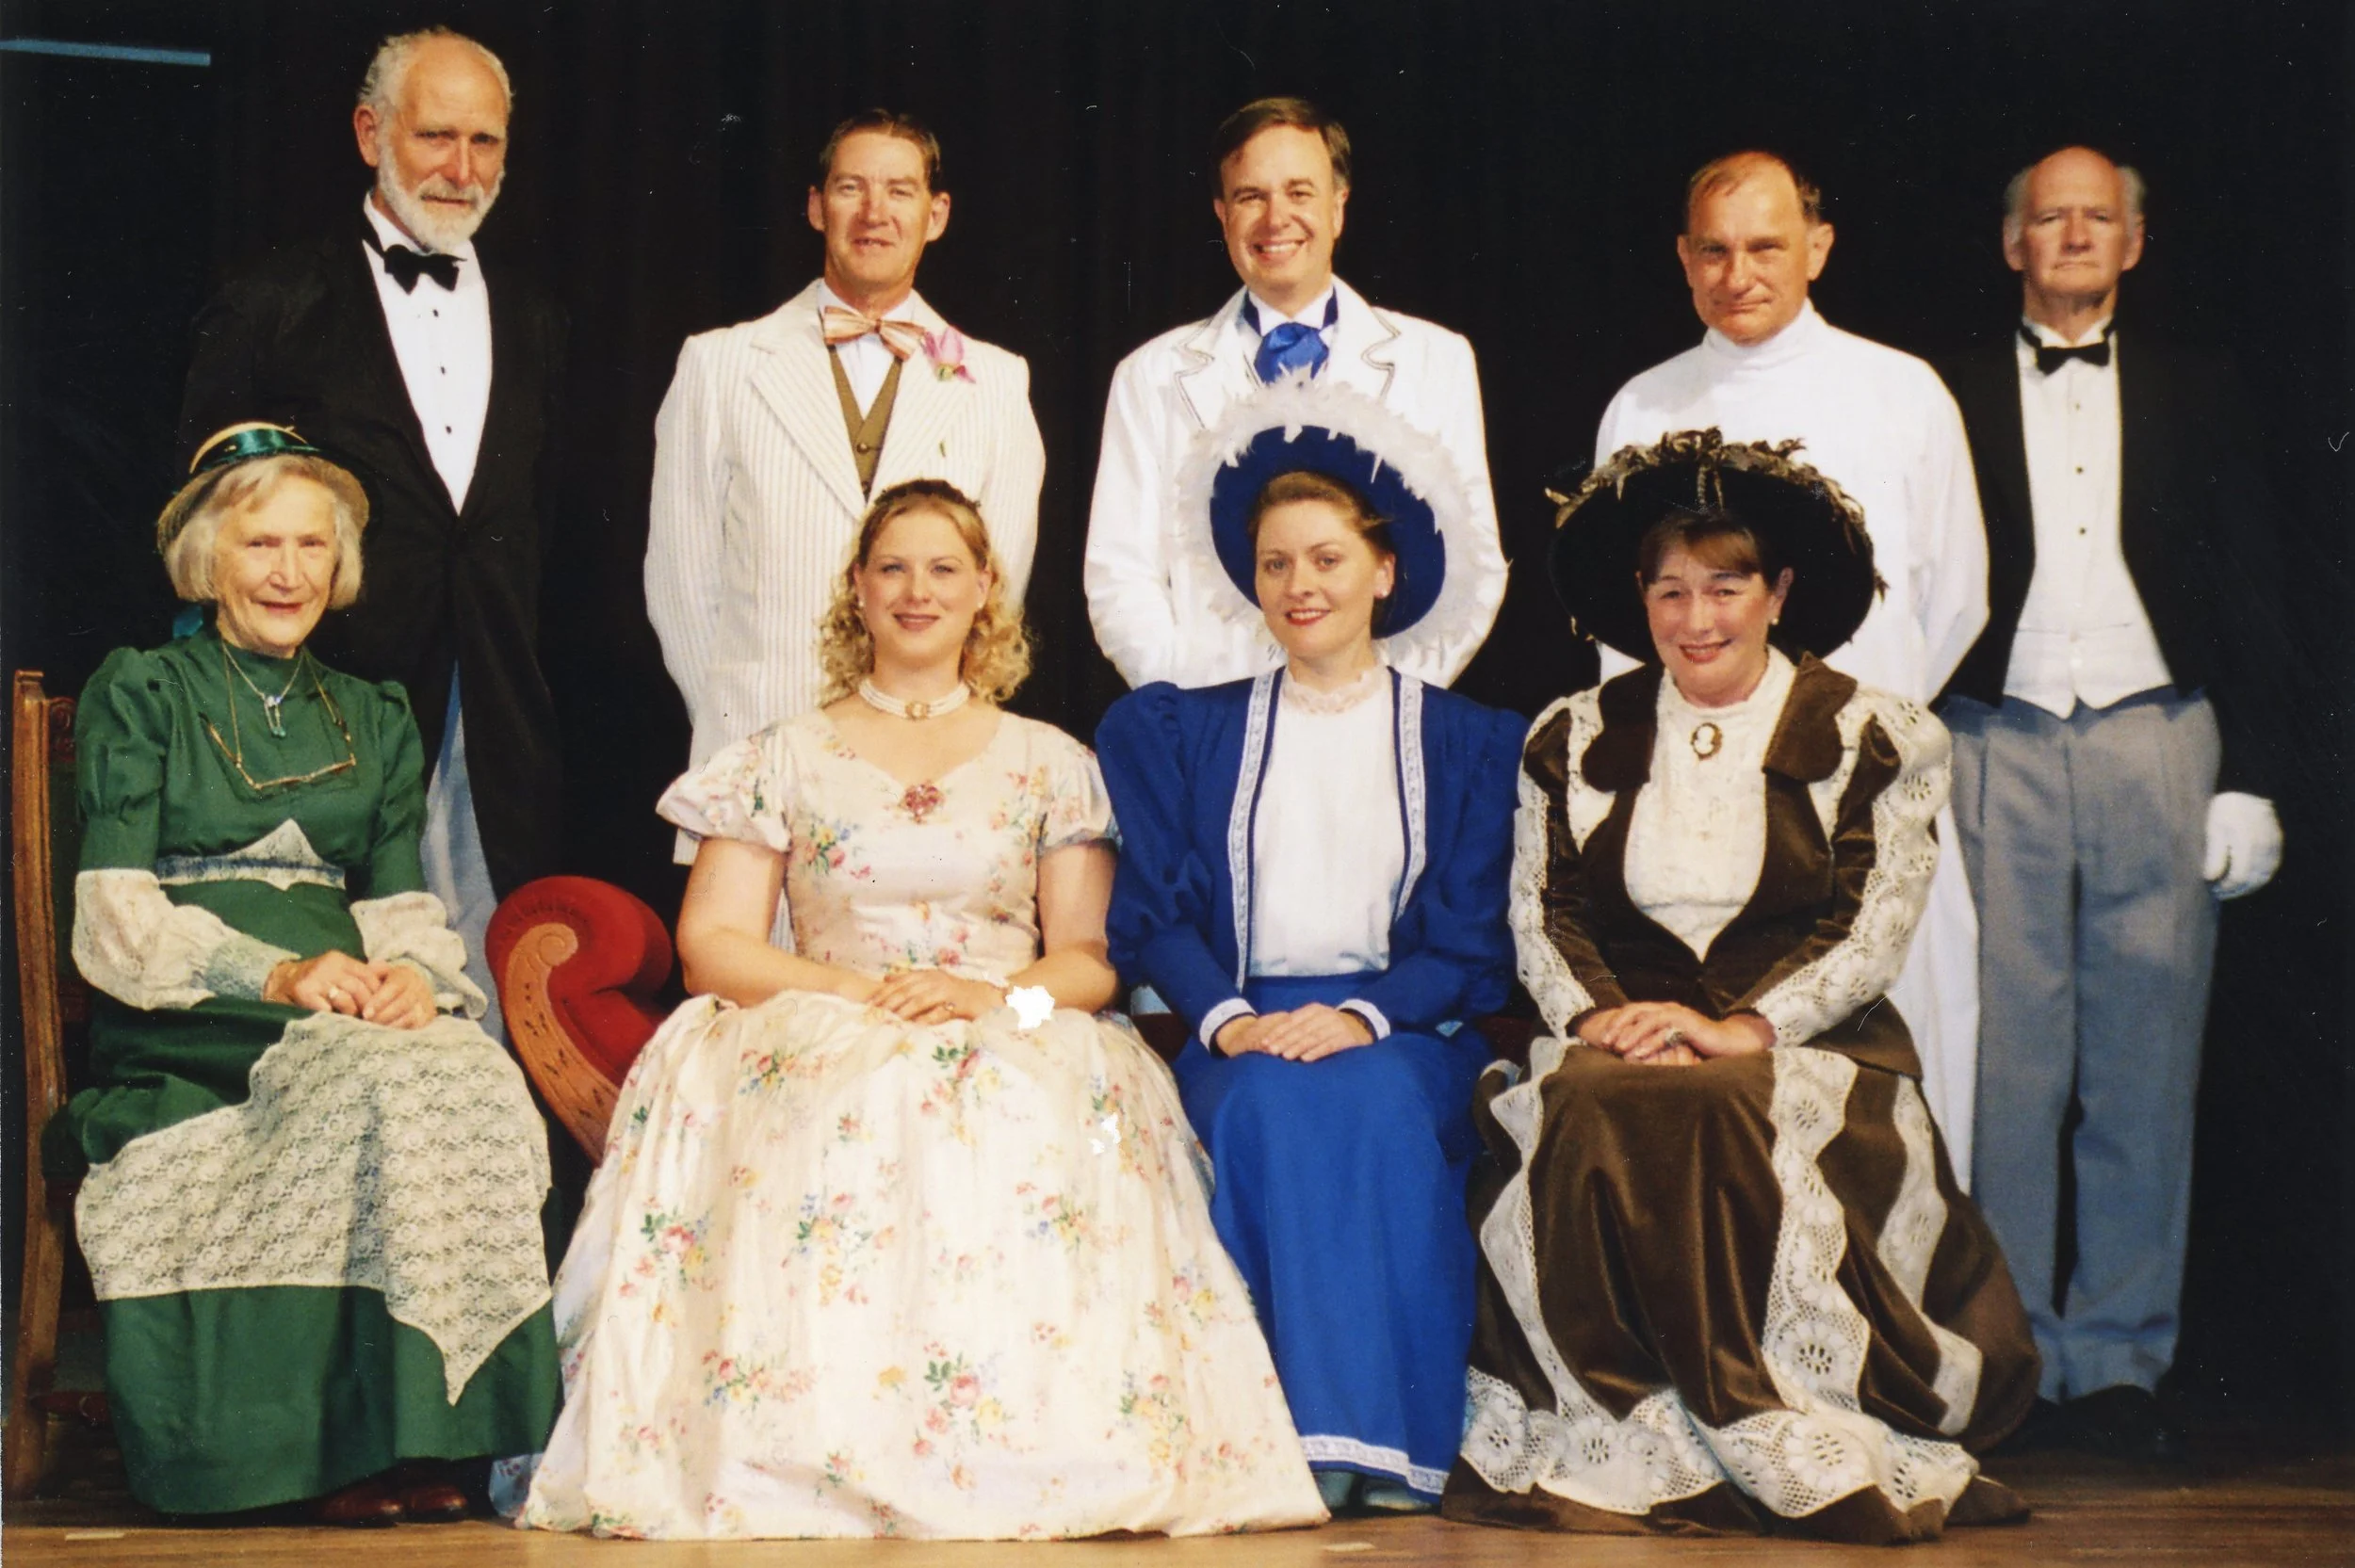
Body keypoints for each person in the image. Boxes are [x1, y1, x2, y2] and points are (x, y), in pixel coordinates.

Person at [514, 480, 1322, 1540]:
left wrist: (989, 999)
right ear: (855, 590)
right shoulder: (778, 755)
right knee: (863, 1086)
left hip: (1012, 1010)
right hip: (822, 1003)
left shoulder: (1048, 760)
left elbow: (1087, 959)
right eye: (892, 566)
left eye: (944, 568)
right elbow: (713, 944)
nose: (916, 590)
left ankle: (1036, 1451)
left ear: (985, 589)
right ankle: (807, 1453)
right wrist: (856, 994)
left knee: (1042, 1088)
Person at [1449, 430, 2038, 1543]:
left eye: (1725, 585)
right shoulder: (1572, 735)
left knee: (1725, 1101)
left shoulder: (1874, 732)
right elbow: (1543, 910)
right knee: (1576, 1098)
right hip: (1618, 1033)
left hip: (1810, 1039)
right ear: (1638, 601)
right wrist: (1597, 1019)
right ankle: (1627, 1421)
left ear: (1778, 592)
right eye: (1668, 590)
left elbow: (1871, 924)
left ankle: (1787, 1417)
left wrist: (1744, 1026)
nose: (1695, 617)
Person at [57, 425, 558, 1525]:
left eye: (312, 547)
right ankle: (310, 1450)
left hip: (342, 995)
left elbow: (392, 905)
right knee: (362, 1082)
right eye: (260, 544)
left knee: (466, 1075)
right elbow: (114, 911)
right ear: (206, 559)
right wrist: (277, 973)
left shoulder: (372, 711)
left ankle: (426, 1433)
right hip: (193, 1012)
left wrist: (419, 983)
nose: (288, 572)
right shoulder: (142, 691)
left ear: (342, 567)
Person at [1096, 380, 1523, 1513]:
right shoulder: (1189, 731)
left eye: (1327, 560)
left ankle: (1381, 1443)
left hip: (1398, 1028)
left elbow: (1472, 941)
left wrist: (1358, 1018)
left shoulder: (1467, 742)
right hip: (1236, 1022)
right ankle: (1278, 1444)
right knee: (1268, 1106)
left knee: (1373, 1105)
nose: (1300, 587)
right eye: (1277, 564)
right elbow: (1156, 918)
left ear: (1382, 573)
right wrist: (1230, 1019)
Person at [1935, 147, 2286, 1460]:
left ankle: (2127, 1354)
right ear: (2012, 241)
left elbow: (2259, 586)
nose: (2073, 234)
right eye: (2048, 216)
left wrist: (2251, 771)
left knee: (2143, 1066)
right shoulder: (1949, 388)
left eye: (2098, 216)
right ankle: (2014, 1347)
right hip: (1998, 739)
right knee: (2007, 1067)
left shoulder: (2203, 386)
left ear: (2133, 243)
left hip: (2156, 738)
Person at [1592, 152, 1989, 1178]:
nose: (1739, 272)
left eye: (1765, 245)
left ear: (1816, 247)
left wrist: (1843, 736)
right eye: (1713, 250)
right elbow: (1619, 615)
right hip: (1695, 801)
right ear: (1683, 259)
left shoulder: (1903, 392)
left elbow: (1954, 599)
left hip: (1862, 787)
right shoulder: (1642, 405)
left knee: (1912, 1051)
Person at [180, 28, 565, 1033]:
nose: (463, 168)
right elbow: (204, 530)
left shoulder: (538, 315)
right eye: (437, 136)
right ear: (368, 133)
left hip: (494, 707)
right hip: (324, 714)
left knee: (484, 975)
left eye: (486, 142)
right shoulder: (273, 301)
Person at [645, 109, 1045, 825]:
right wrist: (743, 720)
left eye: (899, 190)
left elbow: (994, 596)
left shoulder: (997, 381)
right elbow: (679, 585)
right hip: (756, 754)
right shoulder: (720, 364)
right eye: (850, 187)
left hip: (925, 766)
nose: (874, 213)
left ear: (937, 213)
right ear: (814, 205)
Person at [1084, 96, 1507, 690]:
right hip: (1212, 718)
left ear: (1338, 207)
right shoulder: (1149, 375)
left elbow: (1473, 569)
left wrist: (1381, 701)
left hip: (1380, 722)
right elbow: (1118, 575)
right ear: (1221, 215)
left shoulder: (1436, 359)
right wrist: (1194, 711)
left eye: (1299, 192)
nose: (1275, 217)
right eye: (1250, 196)